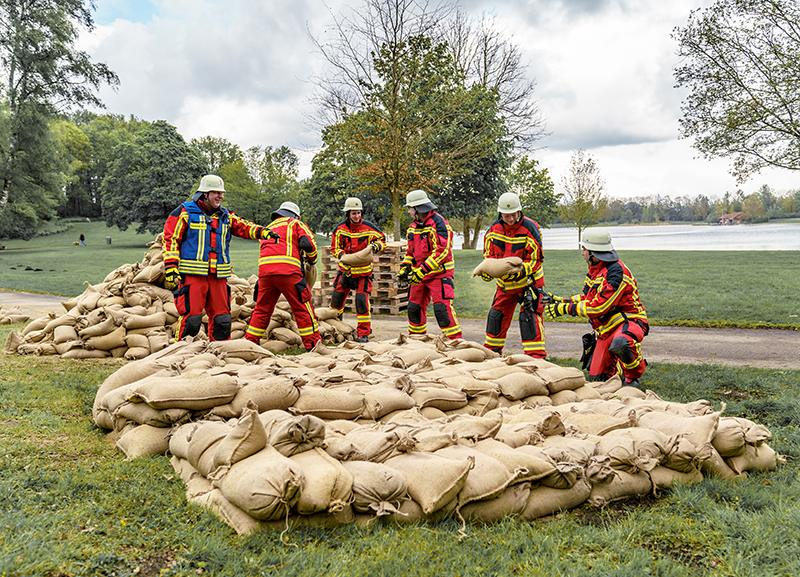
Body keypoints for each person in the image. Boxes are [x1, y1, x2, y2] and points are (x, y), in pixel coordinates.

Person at [162, 174, 270, 341]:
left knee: (222, 320)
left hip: (219, 276)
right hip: (193, 275)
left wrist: (263, 232)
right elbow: (171, 239)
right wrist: (170, 266)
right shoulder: (184, 212)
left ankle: (218, 356)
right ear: (204, 194)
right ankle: (182, 355)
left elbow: (244, 227)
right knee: (192, 320)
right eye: (216, 193)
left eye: (222, 193)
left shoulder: (226, 216)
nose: (220, 196)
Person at [546, 227, 649, 387]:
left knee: (622, 344)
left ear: (594, 252)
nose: (582, 253)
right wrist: (562, 301)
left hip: (629, 322)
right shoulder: (596, 270)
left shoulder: (616, 273)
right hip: (606, 329)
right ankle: (619, 367)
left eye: (584, 249)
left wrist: (564, 310)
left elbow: (598, 307)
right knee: (598, 379)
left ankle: (632, 376)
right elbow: (588, 298)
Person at [245, 201, 321, 351]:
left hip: (265, 275)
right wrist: (312, 261)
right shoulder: (296, 224)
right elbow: (308, 245)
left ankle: (250, 343)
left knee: (262, 309)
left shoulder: (267, 228)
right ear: (296, 215)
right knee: (302, 308)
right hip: (289, 273)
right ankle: (313, 344)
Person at [480, 192, 548, 358]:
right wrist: (488, 272)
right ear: (500, 213)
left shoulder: (531, 228)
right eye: (506, 215)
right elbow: (488, 257)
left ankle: (536, 359)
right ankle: (492, 356)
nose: (510, 219)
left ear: (520, 212)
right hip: (505, 287)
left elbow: (536, 259)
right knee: (496, 318)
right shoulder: (492, 231)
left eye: (514, 215)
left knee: (529, 320)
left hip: (529, 285)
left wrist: (520, 270)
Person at [399, 189, 462, 339]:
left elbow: (441, 251)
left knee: (442, 310)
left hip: (439, 274)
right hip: (420, 275)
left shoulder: (439, 224)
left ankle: (456, 344)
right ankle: (416, 341)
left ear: (417, 208)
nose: (408, 212)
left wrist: (422, 271)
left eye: (409, 208)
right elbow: (410, 252)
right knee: (414, 309)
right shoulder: (413, 227)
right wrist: (405, 268)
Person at [330, 197, 387, 342]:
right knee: (336, 301)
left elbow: (382, 240)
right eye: (354, 213)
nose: (357, 216)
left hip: (363, 273)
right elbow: (334, 248)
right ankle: (335, 329)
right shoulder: (339, 229)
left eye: (359, 213)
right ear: (348, 214)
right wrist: (341, 255)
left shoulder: (369, 227)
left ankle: (363, 333)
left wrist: (376, 246)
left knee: (361, 302)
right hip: (345, 272)